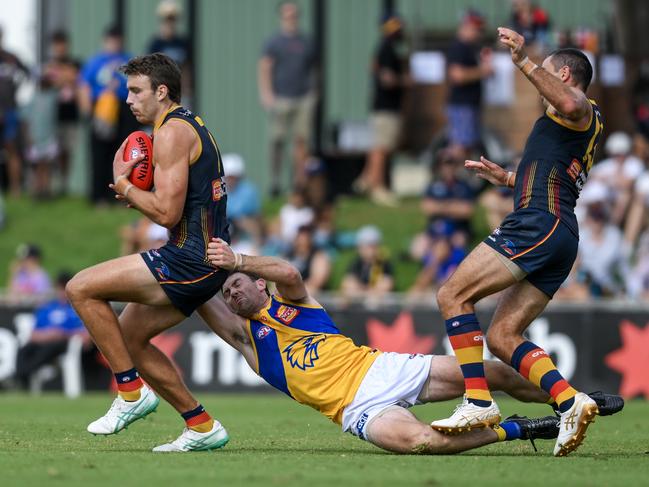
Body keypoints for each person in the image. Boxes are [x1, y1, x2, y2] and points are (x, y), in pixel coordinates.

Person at [201, 238, 622, 454]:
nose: (231, 295)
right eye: (227, 295)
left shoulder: (293, 303)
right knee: (423, 442)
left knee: (492, 372)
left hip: (381, 369)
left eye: (236, 286)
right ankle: (521, 428)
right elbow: (199, 297)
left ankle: (570, 401)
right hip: (357, 412)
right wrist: (193, 269)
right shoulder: (249, 343)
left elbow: (289, 271)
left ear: (259, 283)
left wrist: (235, 260)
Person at [431, 28, 605, 457]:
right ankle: (570, 400)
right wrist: (508, 178)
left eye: (545, 75)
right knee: (504, 335)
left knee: (453, 294)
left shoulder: (576, 108)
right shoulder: (577, 126)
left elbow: (568, 100)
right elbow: (555, 177)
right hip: (559, 231)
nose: (536, 86)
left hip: (538, 224)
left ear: (564, 74)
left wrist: (524, 60)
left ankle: (477, 401)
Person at [66, 53, 230, 452]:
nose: (128, 99)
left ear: (161, 91)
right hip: (201, 255)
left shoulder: (171, 133)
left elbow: (167, 212)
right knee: (130, 337)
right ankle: (202, 425)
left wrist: (127, 189)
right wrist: (142, 194)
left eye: (136, 90)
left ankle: (131, 393)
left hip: (190, 259)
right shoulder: (189, 123)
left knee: (80, 288)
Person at [258, 1, 317, 195]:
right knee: (277, 141)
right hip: (281, 98)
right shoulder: (274, 42)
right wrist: (267, 94)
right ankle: (275, 181)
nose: (291, 19)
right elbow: (265, 67)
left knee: (301, 142)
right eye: (287, 15)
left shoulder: (306, 42)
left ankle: (298, 183)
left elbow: (315, 69)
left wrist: (313, 94)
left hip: (303, 98)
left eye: (294, 15)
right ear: (281, 17)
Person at [78, 25, 139, 204]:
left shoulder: (128, 60)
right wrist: (88, 111)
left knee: (123, 152)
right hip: (103, 107)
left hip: (125, 107)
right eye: (112, 40)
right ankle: (99, 196)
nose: (115, 43)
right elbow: (83, 85)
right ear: (105, 41)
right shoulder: (96, 62)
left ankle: (121, 195)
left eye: (117, 40)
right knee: (100, 154)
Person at [353, 12, 408, 207]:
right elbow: (387, 78)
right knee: (381, 149)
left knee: (380, 146)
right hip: (385, 106)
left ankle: (366, 181)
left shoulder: (388, 47)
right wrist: (406, 81)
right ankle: (378, 187)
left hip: (385, 106)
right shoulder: (386, 48)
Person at [15, 271, 93, 388]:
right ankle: (20, 376)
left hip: (64, 343)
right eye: (61, 288)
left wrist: (62, 334)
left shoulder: (76, 309)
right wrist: (48, 335)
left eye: (65, 289)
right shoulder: (48, 308)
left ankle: (25, 373)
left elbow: (86, 335)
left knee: (51, 347)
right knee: (24, 349)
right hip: (43, 340)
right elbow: (33, 334)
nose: (63, 293)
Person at [446, 10, 493, 159]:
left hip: (469, 105)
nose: (479, 33)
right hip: (462, 105)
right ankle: (450, 178)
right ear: (466, 26)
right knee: (460, 146)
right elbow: (457, 75)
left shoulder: (470, 48)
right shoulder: (458, 47)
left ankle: (457, 179)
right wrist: (482, 71)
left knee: (466, 146)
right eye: (477, 29)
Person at [42, 30, 81, 193]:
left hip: (70, 114)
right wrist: (65, 77)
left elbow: (75, 78)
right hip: (52, 115)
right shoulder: (48, 64)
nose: (60, 48)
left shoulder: (75, 62)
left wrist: (60, 77)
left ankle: (64, 184)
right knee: (51, 151)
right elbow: (46, 80)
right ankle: (49, 185)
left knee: (67, 150)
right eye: (57, 44)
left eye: (62, 44)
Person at [0, 26, 29, 197]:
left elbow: (28, 74)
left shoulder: (11, 58)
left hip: (10, 110)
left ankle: (15, 189)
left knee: (12, 149)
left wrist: (18, 90)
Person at [147, 0, 193, 106]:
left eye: (172, 19)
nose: (170, 23)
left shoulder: (182, 43)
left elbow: (187, 67)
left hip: (180, 91)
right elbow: (150, 70)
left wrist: (187, 89)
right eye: (167, 20)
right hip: (161, 91)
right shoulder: (156, 44)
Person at [340, 225, 394, 303]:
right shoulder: (356, 263)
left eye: (369, 246)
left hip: (377, 305)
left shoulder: (383, 263)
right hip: (359, 301)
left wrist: (361, 291)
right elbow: (347, 284)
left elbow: (385, 285)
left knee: (373, 300)